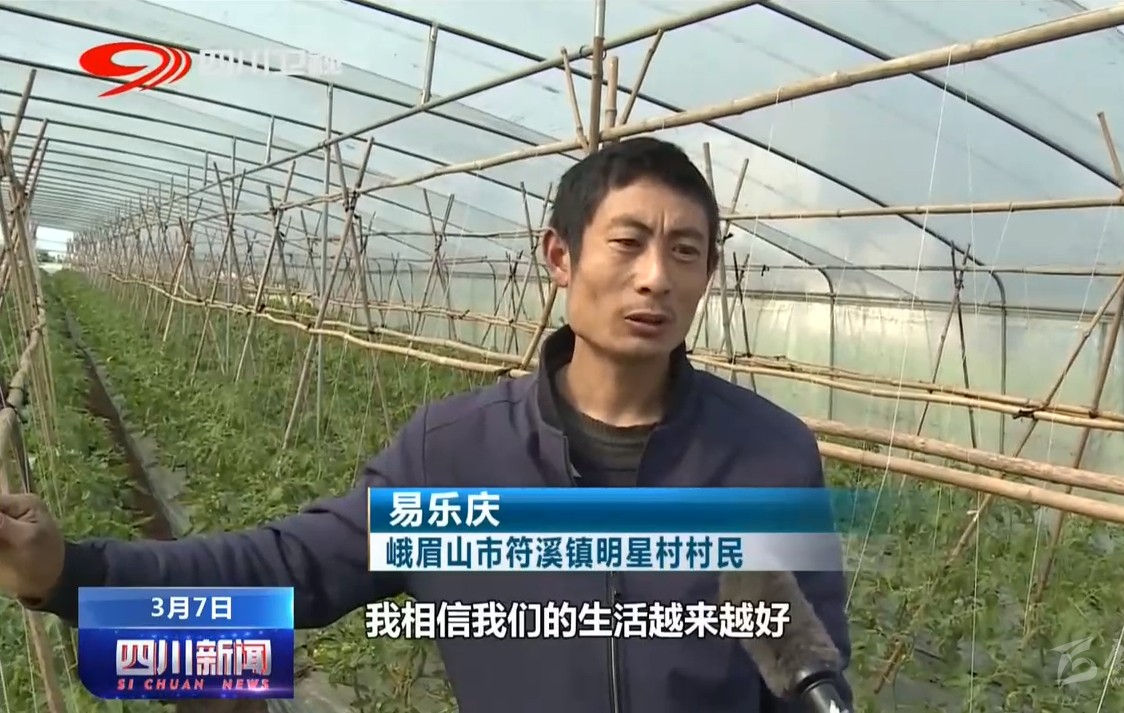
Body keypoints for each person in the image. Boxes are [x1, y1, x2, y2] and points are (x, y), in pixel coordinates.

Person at [0, 137, 853, 712]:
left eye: (686, 251)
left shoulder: (767, 457)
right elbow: (284, 571)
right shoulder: (457, 455)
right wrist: (70, 575)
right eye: (627, 243)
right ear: (560, 256)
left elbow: (811, 673)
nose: (656, 277)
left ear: (709, 273)